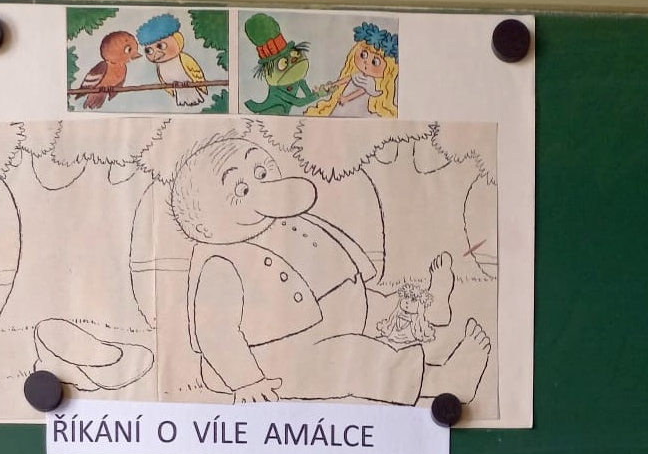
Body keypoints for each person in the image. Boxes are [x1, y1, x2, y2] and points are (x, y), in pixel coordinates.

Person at [170, 132, 491, 408]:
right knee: (353, 358)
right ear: (204, 226)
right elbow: (217, 333)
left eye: (261, 172)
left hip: (332, 315)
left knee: (382, 303)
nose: (263, 186)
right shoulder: (219, 265)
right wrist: (247, 381)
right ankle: (442, 380)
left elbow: (325, 252)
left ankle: (429, 309)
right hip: (278, 355)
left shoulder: (278, 223)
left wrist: (356, 282)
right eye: (242, 189)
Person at [307, 24, 398, 119]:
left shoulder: (370, 81)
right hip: (344, 99)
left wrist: (347, 98)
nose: (366, 62)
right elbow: (346, 79)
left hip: (355, 104)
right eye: (363, 55)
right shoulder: (357, 74)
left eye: (375, 62)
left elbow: (361, 91)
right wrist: (333, 84)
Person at [138, 13, 207, 107]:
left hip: (189, 86)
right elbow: (163, 80)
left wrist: (191, 84)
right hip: (177, 89)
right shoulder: (160, 66)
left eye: (161, 46)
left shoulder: (184, 58)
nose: (156, 53)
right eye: (149, 50)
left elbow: (195, 76)